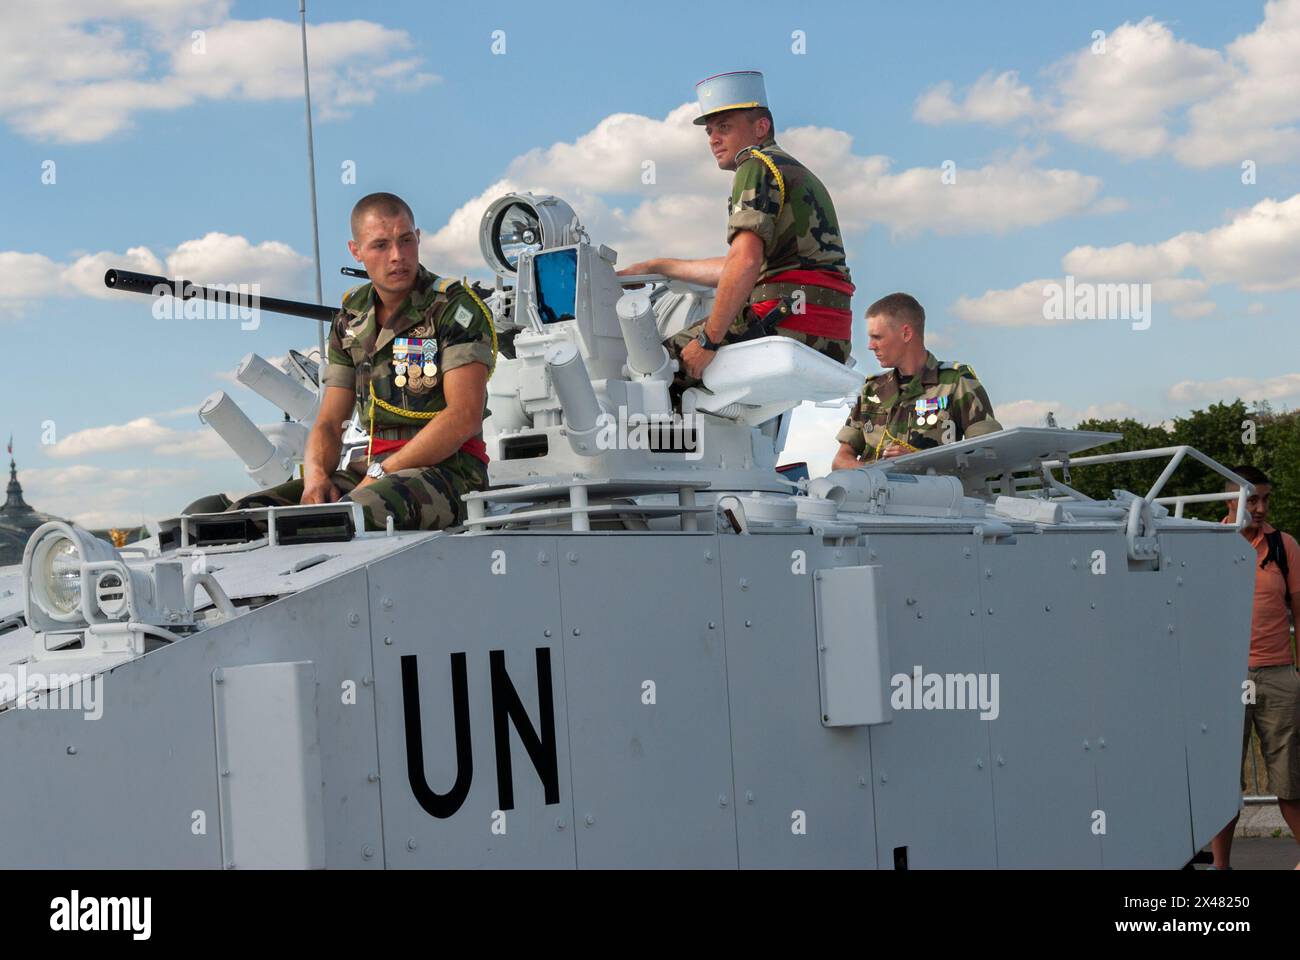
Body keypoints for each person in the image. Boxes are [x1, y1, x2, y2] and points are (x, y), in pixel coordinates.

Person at [182, 192, 494, 531]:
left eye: (405, 241)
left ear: (418, 239)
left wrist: (380, 473)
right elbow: (330, 421)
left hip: (451, 476)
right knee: (249, 518)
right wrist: (315, 477)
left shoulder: (454, 309)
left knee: (340, 518)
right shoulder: (352, 318)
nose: (397, 256)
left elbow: (463, 416)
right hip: (372, 472)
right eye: (380, 245)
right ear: (355, 251)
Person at [617, 70, 854, 396]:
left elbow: (744, 262)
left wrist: (709, 340)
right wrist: (659, 267)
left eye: (725, 128)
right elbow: (742, 263)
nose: (713, 139)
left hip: (786, 323)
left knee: (648, 372)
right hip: (831, 333)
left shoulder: (754, 165)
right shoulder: (794, 170)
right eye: (710, 131)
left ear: (761, 127)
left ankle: (657, 447)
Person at [1209, 465, 1300, 870]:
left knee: (1290, 778)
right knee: (1222, 783)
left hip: (1279, 674)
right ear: (1231, 500)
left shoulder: (1285, 545)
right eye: (1253, 499)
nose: (1261, 507)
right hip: (1221, 679)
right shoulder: (1204, 543)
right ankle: (1221, 867)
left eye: (1266, 498)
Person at [831, 293, 1000, 467]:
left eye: (877, 337)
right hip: (873, 492)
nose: (870, 346)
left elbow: (990, 454)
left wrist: (919, 462)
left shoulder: (956, 382)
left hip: (931, 492)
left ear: (906, 334)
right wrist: (877, 475)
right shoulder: (871, 390)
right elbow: (840, 461)